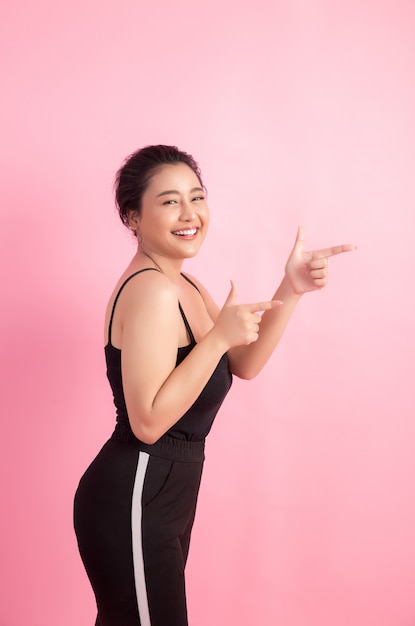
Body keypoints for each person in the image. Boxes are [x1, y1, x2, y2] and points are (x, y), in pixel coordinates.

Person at [73, 144, 356, 626]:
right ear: (132, 217)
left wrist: (290, 288)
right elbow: (146, 423)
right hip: (138, 485)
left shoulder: (184, 285)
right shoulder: (152, 292)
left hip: (166, 489)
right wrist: (217, 338)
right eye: (169, 201)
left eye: (197, 197)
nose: (190, 214)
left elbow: (242, 363)